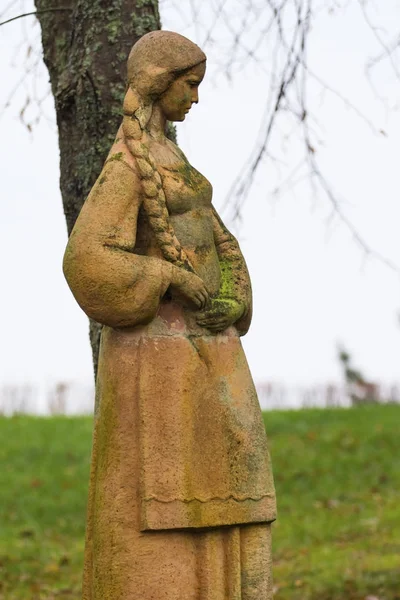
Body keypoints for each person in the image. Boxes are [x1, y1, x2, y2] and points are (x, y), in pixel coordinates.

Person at [63, 30, 276, 600]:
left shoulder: (175, 160)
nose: (196, 99)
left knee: (234, 492)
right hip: (157, 361)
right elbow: (87, 259)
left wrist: (234, 296)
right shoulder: (127, 165)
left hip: (211, 351)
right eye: (190, 84)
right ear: (160, 84)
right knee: (160, 504)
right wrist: (167, 277)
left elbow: (217, 238)